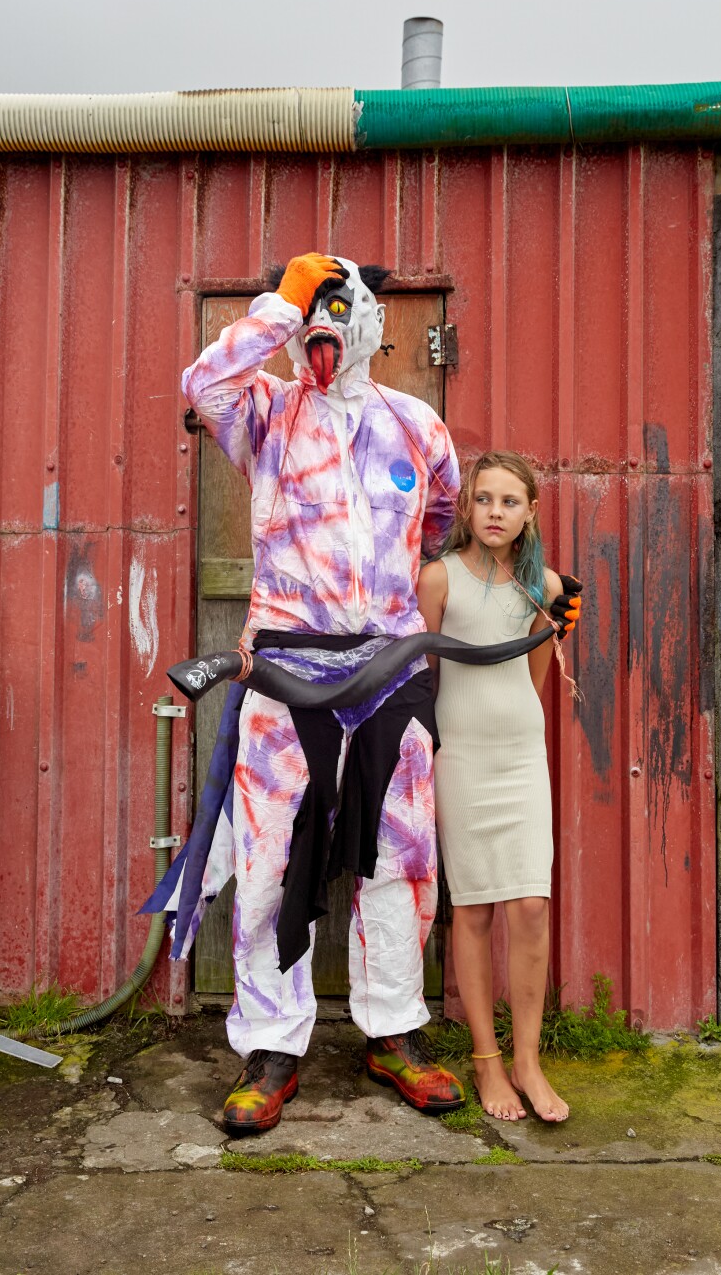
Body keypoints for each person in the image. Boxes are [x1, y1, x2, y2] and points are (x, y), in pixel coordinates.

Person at [180, 252, 467, 1133]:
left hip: (389, 673)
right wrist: (281, 302)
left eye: (342, 306)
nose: (327, 327)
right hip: (285, 673)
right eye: (318, 307)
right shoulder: (265, 412)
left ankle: (394, 1031)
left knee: (402, 857)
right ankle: (272, 1043)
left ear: (374, 322)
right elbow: (204, 383)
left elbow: (441, 520)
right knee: (268, 862)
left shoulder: (418, 425)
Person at [416, 450, 580, 1124]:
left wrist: (511, 719)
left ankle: (528, 1059)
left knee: (532, 907)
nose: (494, 512)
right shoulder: (438, 580)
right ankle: (488, 1060)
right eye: (484, 499)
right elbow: (423, 674)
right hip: (462, 756)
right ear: (467, 506)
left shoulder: (541, 586)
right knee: (477, 910)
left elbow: (533, 670)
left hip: (518, 756)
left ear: (529, 512)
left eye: (509, 502)